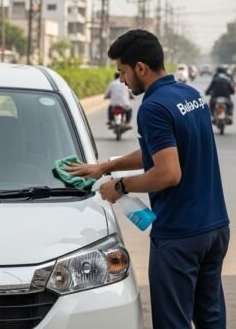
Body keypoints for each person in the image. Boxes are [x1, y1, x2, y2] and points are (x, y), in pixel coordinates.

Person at [64, 30, 229, 328]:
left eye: (123, 72)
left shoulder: (153, 107)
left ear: (140, 67)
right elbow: (160, 152)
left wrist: (120, 186)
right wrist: (106, 166)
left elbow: (168, 173)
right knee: (211, 317)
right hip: (215, 229)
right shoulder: (189, 95)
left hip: (180, 235)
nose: (122, 81)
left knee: (172, 322)